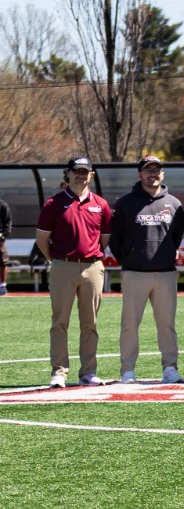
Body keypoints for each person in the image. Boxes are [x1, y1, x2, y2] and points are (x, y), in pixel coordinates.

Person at [36, 156, 115, 388]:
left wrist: (89, 258)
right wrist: (56, 260)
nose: (81, 175)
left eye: (85, 172)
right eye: (76, 171)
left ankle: (88, 373)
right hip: (63, 266)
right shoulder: (53, 203)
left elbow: (104, 239)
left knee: (90, 323)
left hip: (92, 268)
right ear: (67, 174)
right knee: (60, 322)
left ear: (91, 175)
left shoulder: (101, 204)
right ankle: (59, 372)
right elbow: (42, 239)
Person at [110, 155, 184, 384]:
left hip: (165, 273)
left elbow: (176, 236)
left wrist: (165, 256)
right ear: (139, 174)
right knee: (130, 325)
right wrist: (130, 259)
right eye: (148, 170)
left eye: (157, 170)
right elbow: (115, 238)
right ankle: (128, 371)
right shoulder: (125, 203)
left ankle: (170, 368)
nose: (153, 174)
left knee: (167, 324)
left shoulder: (174, 204)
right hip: (134, 273)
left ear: (162, 174)